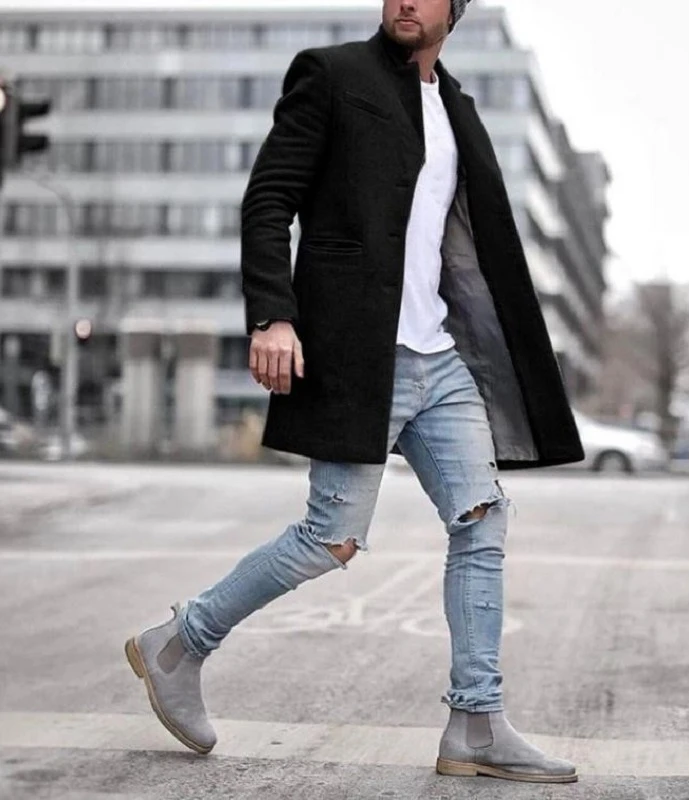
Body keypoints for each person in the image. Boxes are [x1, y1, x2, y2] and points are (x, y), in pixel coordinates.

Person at [125, 0, 583, 784]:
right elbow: (269, 199)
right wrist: (273, 314)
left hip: (439, 357)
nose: (405, 1)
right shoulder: (332, 74)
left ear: (455, 10)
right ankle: (179, 642)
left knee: (482, 519)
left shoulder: (459, 109)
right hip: (356, 355)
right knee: (330, 538)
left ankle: (476, 722)